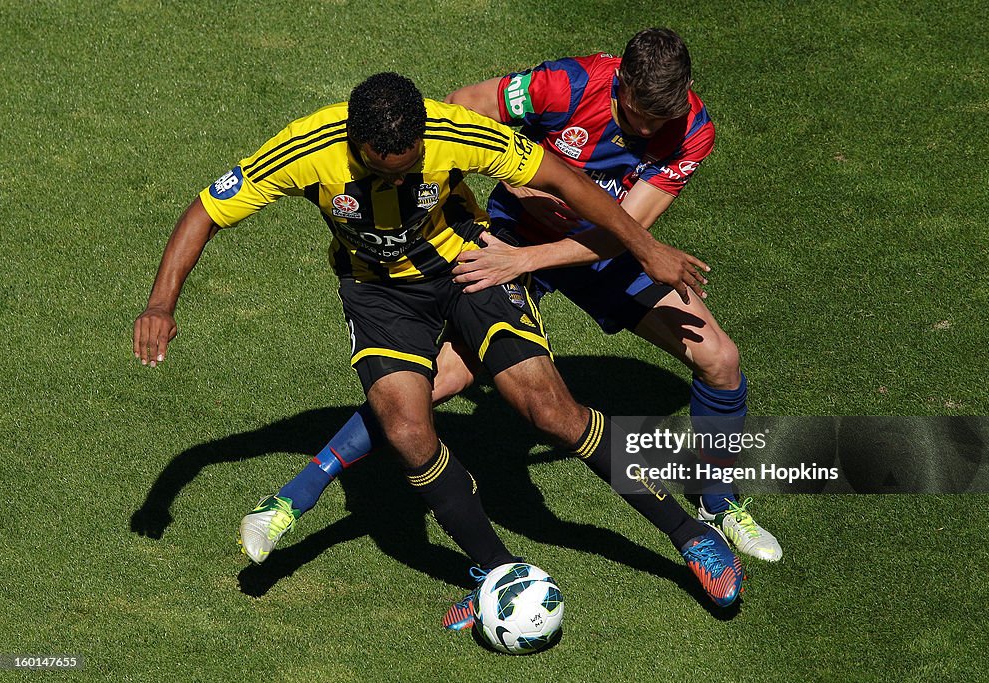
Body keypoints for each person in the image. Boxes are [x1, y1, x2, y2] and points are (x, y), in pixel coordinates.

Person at [134, 71, 741, 618]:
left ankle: (691, 535)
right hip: (378, 296)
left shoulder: (453, 132)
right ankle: (495, 571)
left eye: (412, 163)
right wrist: (163, 303)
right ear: (356, 144)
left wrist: (644, 246)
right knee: (406, 430)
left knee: (552, 413)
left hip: (468, 268)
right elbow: (204, 212)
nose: (403, 175)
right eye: (387, 169)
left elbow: (563, 178)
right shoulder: (305, 150)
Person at [251, 30, 781, 567]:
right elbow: (459, 107)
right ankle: (297, 492)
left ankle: (718, 504)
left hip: (595, 246)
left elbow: (628, 229)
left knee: (720, 358)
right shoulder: (565, 85)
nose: (646, 129)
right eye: (636, 113)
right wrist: (524, 184)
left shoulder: (693, 130)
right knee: (436, 382)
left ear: (687, 89)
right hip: (516, 233)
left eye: (658, 120)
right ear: (620, 78)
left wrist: (527, 261)